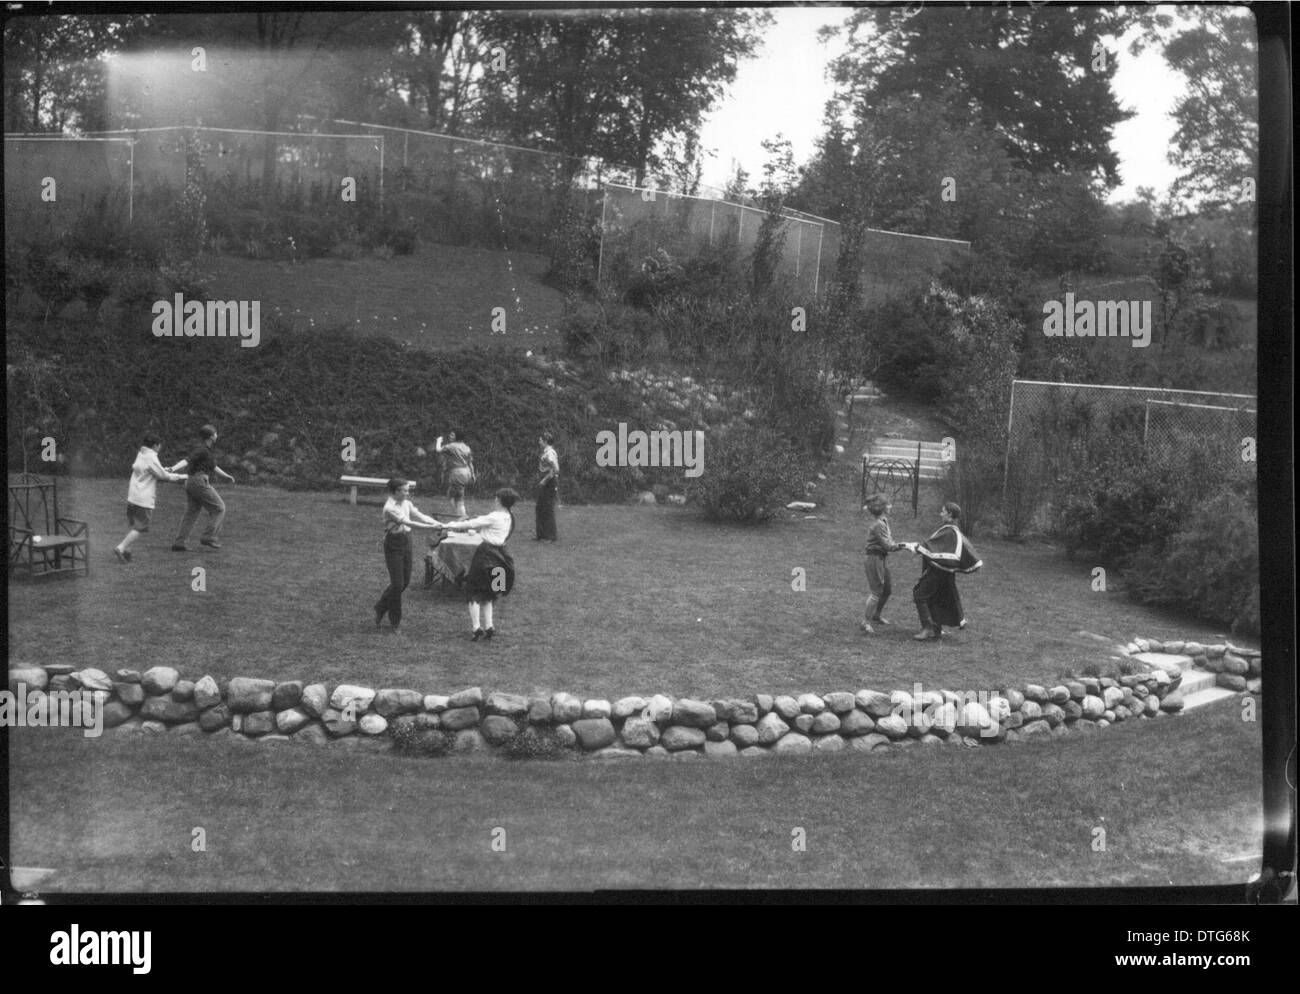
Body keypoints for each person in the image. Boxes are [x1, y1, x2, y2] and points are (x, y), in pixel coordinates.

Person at [440, 488, 519, 640]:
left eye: (497, 498)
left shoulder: (494, 516)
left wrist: (446, 525)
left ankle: (476, 628)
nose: (495, 500)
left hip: (486, 555)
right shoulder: (510, 516)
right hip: (502, 557)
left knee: (473, 591)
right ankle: (489, 626)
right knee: (492, 592)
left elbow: (471, 524)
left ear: (501, 501)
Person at [901, 502, 982, 641]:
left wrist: (917, 547)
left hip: (938, 573)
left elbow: (935, 549)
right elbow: (934, 546)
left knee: (919, 595)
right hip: (944, 573)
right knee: (935, 597)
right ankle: (936, 630)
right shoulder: (951, 530)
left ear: (950, 515)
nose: (941, 513)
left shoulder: (950, 531)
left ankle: (928, 628)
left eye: (943, 511)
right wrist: (917, 547)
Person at [374, 478, 443, 631]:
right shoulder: (389, 508)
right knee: (397, 584)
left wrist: (436, 523)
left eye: (408, 490)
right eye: (404, 490)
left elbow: (419, 515)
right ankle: (394, 622)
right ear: (395, 492)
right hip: (393, 543)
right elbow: (409, 523)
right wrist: (430, 527)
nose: (407, 493)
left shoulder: (406, 503)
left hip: (407, 541)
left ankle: (380, 607)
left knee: (404, 583)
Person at [113, 433, 187, 562]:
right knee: (141, 527)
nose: (160, 448)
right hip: (143, 498)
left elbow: (153, 471)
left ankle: (127, 552)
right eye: (159, 445)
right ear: (155, 445)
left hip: (133, 496)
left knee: (134, 525)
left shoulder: (141, 454)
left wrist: (164, 471)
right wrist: (181, 477)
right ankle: (121, 547)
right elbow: (163, 476)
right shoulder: (151, 456)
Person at [169, 424, 235, 550]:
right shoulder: (202, 450)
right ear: (211, 436)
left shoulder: (207, 451)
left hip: (191, 482)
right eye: (215, 433)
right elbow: (187, 460)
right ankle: (208, 536)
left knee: (191, 513)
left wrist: (226, 475)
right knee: (219, 508)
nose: (217, 435)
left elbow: (213, 467)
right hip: (199, 481)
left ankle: (179, 543)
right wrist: (173, 468)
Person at [860, 494, 904, 634]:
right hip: (874, 559)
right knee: (876, 592)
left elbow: (888, 542)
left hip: (881, 558)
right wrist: (905, 545)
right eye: (888, 505)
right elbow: (888, 545)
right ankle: (865, 622)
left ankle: (876, 615)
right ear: (883, 508)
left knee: (887, 589)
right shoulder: (878, 525)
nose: (890, 506)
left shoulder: (883, 521)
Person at [435, 430, 475, 519]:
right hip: (466, 472)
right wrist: (473, 474)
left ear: (458, 436)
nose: (450, 436)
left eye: (453, 435)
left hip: (457, 474)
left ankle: (461, 518)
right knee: (454, 496)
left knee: (457, 500)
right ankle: (460, 517)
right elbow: (470, 463)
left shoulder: (452, 446)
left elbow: (438, 450)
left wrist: (438, 441)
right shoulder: (466, 447)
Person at [535, 432, 559, 541]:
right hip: (545, 482)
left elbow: (555, 469)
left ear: (545, 441)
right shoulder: (546, 452)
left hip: (549, 483)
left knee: (548, 509)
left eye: (540, 440)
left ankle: (551, 536)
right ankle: (541, 535)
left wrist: (544, 480)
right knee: (540, 508)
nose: (539, 442)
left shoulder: (550, 453)